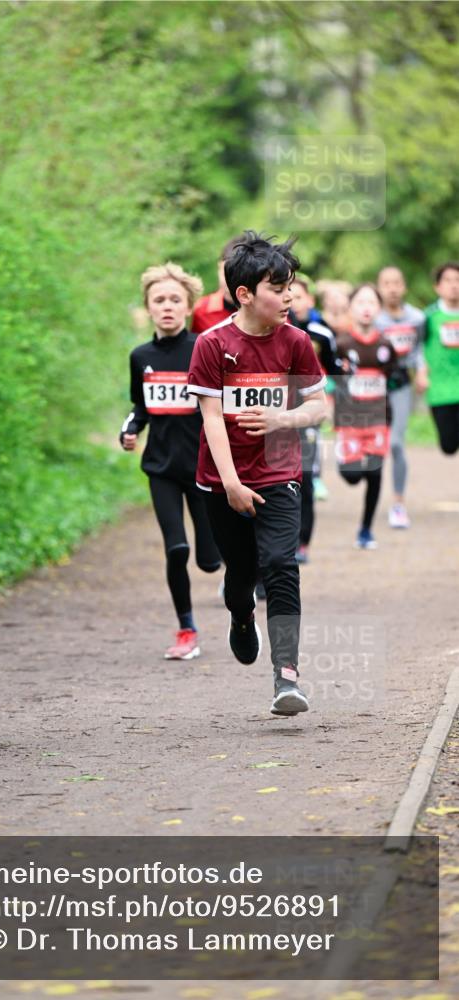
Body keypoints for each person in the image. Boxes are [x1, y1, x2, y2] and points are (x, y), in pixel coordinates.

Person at [188, 231, 327, 716]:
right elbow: (210, 420)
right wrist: (230, 484)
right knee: (241, 575)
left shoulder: (297, 343)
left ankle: (286, 676)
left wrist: (283, 419)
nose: (288, 296)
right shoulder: (212, 345)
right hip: (221, 478)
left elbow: (319, 406)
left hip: (280, 471)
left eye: (291, 286)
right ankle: (242, 618)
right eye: (277, 287)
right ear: (244, 294)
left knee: (281, 566)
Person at [120, 262, 222, 660]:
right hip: (160, 468)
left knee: (211, 560)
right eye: (158, 300)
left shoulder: (203, 348)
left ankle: (225, 578)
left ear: (188, 306)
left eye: (174, 299)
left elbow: (218, 406)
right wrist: (129, 430)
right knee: (176, 548)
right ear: (148, 307)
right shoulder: (140, 356)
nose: (167, 306)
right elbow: (139, 407)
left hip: (202, 467)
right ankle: (186, 629)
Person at [334, 284, 396, 549]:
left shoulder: (386, 345)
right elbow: (329, 378)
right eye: (360, 302)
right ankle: (344, 460)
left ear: (379, 308)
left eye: (372, 302)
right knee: (353, 476)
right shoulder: (341, 344)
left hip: (378, 420)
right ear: (351, 308)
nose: (366, 307)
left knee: (375, 473)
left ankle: (366, 530)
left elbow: (393, 377)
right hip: (349, 421)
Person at [289, 276, 343, 562]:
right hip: (277, 411)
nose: (293, 301)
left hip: (309, 411)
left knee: (305, 476)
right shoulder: (273, 331)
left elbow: (336, 367)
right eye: (289, 294)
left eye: (299, 296)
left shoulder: (322, 333)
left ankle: (302, 543)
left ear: (310, 301)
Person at [375, 266, 426, 528]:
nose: (392, 288)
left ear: (404, 287)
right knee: (372, 445)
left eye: (397, 283)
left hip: (401, 385)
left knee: (396, 443)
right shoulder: (373, 319)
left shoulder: (416, 318)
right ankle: (370, 498)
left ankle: (398, 503)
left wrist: (422, 372)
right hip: (373, 387)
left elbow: (419, 351)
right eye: (386, 283)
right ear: (379, 287)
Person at [417, 262, 459, 456]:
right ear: (438, 287)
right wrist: (421, 373)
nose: (454, 285)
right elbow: (418, 347)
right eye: (448, 280)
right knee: (448, 446)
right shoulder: (428, 316)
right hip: (440, 389)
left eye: (458, 280)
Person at [191, 237, 239, 334]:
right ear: (219, 267)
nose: (230, 279)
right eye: (225, 272)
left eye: (237, 273)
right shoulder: (200, 309)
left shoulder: (264, 309)